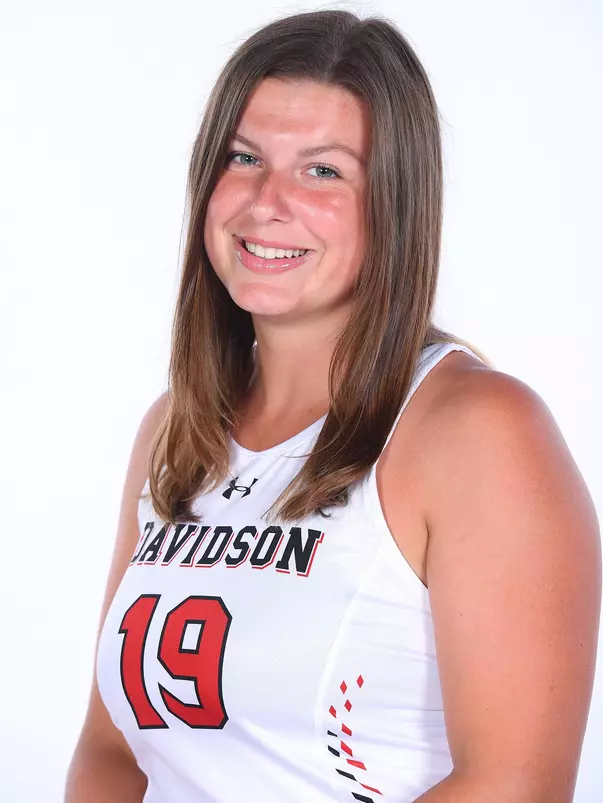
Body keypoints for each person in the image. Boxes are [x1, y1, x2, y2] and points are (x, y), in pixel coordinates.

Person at [64, 9, 601, 803]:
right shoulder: (174, 429)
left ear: (394, 203)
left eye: (322, 171)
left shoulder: (477, 433)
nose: (266, 202)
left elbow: (513, 786)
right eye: (243, 158)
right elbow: (113, 749)